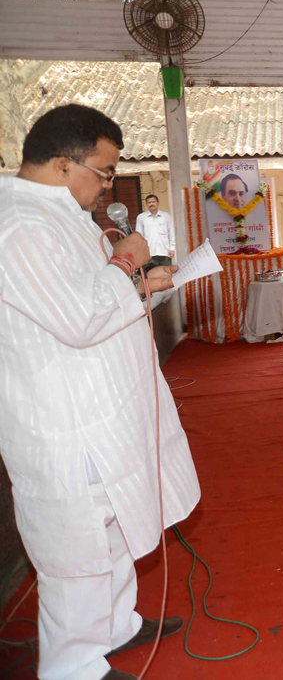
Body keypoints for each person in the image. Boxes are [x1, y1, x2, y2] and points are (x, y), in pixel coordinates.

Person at [0, 104, 200, 680]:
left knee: (111, 525)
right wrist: (128, 260)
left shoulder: (62, 213)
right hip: (64, 421)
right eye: (105, 172)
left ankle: (116, 625)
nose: (108, 185)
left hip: (100, 410)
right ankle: (73, 666)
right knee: (78, 549)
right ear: (64, 165)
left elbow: (97, 294)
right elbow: (80, 319)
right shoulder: (19, 224)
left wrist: (144, 282)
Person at [134, 193, 174, 260]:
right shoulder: (141, 217)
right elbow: (138, 236)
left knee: (165, 270)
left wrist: (172, 248)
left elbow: (171, 233)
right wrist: (141, 252)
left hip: (164, 252)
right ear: (146, 204)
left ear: (157, 203)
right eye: (149, 202)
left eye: (153, 202)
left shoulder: (166, 216)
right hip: (148, 253)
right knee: (150, 270)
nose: (151, 204)